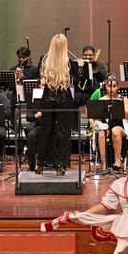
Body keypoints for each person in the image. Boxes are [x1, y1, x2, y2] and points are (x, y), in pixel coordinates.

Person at [36, 34, 77, 175]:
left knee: (46, 130)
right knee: (63, 132)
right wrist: (81, 68)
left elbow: (42, 79)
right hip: (63, 98)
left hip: (48, 97)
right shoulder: (69, 62)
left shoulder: (45, 60)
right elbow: (78, 80)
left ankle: (40, 164)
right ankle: (61, 165)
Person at [96, 75, 128, 171]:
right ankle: (103, 162)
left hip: (120, 126)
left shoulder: (123, 99)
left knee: (115, 130)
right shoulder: (101, 100)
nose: (111, 89)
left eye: (114, 86)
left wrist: (125, 110)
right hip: (106, 126)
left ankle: (118, 160)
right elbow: (96, 117)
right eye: (109, 86)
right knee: (102, 132)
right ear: (106, 86)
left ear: (118, 87)